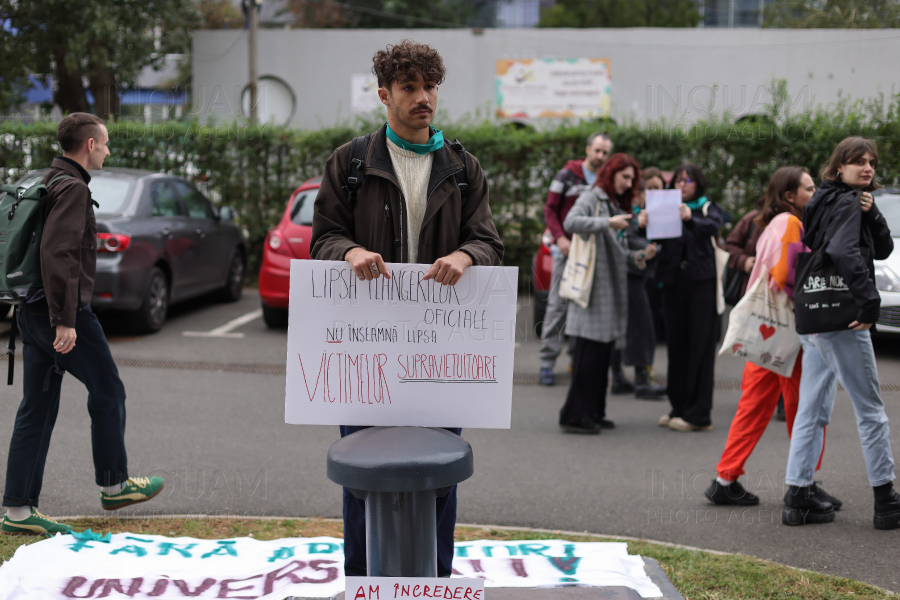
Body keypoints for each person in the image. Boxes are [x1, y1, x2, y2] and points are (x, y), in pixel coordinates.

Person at [310, 41, 504, 574]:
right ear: (384, 95)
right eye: (410, 87)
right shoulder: (350, 162)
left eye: (430, 86)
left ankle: (436, 578)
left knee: (437, 472)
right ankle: (360, 578)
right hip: (366, 350)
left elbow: (489, 241)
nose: (424, 98)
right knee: (361, 475)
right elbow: (322, 237)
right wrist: (348, 251)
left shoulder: (463, 167)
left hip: (439, 351)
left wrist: (466, 255)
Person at [2, 113, 165, 536]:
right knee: (108, 390)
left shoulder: (48, 178)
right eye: (105, 143)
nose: (108, 150)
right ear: (89, 145)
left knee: (36, 408)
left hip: (31, 311)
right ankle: (114, 484)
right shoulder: (73, 188)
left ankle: (17, 510)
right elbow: (59, 254)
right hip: (61, 314)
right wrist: (65, 320)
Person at [783, 137, 898, 529]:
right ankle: (887, 502)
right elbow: (846, 253)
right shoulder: (847, 201)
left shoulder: (823, 201)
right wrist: (869, 303)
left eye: (871, 162)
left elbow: (880, 249)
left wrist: (873, 213)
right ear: (838, 168)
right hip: (844, 317)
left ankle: (798, 496)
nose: (867, 168)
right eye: (857, 162)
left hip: (815, 315)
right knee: (871, 411)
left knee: (811, 407)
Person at [705, 166, 836, 506]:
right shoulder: (792, 224)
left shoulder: (770, 225)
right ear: (789, 196)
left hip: (768, 333)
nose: (815, 193)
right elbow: (784, 275)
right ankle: (804, 482)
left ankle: (725, 477)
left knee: (753, 407)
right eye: (809, 189)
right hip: (791, 331)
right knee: (804, 407)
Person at [558, 153, 655, 434]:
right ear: (611, 173)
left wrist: (639, 256)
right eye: (624, 177)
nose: (628, 183)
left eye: (632, 179)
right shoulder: (594, 195)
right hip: (593, 291)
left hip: (604, 290)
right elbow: (571, 222)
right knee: (590, 357)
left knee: (599, 356)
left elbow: (616, 250)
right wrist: (607, 223)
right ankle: (574, 416)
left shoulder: (608, 201)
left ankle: (593, 412)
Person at [538, 132, 612, 386]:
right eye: (597, 151)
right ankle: (547, 363)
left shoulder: (605, 180)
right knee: (558, 307)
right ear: (588, 149)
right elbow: (550, 209)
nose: (601, 156)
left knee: (584, 308)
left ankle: (575, 360)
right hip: (565, 252)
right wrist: (560, 238)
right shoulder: (566, 175)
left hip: (592, 256)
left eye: (605, 153)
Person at [654, 164, 724, 432]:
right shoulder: (665, 208)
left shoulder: (706, 207)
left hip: (701, 285)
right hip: (673, 284)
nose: (682, 185)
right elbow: (654, 240)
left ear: (699, 183)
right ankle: (678, 407)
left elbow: (714, 226)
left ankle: (698, 414)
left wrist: (689, 218)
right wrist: (644, 225)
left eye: (688, 180)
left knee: (700, 346)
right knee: (677, 345)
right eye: (678, 180)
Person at [623, 174, 666, 399]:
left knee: (631, 328)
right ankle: (641, 380)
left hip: (638, 275)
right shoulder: (633, 212)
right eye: (648, 190)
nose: (652, 195)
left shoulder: (641, 212)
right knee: (642, 328)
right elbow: (628, 237)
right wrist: (652, 248)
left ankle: (620, 378)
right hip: (632, 274)